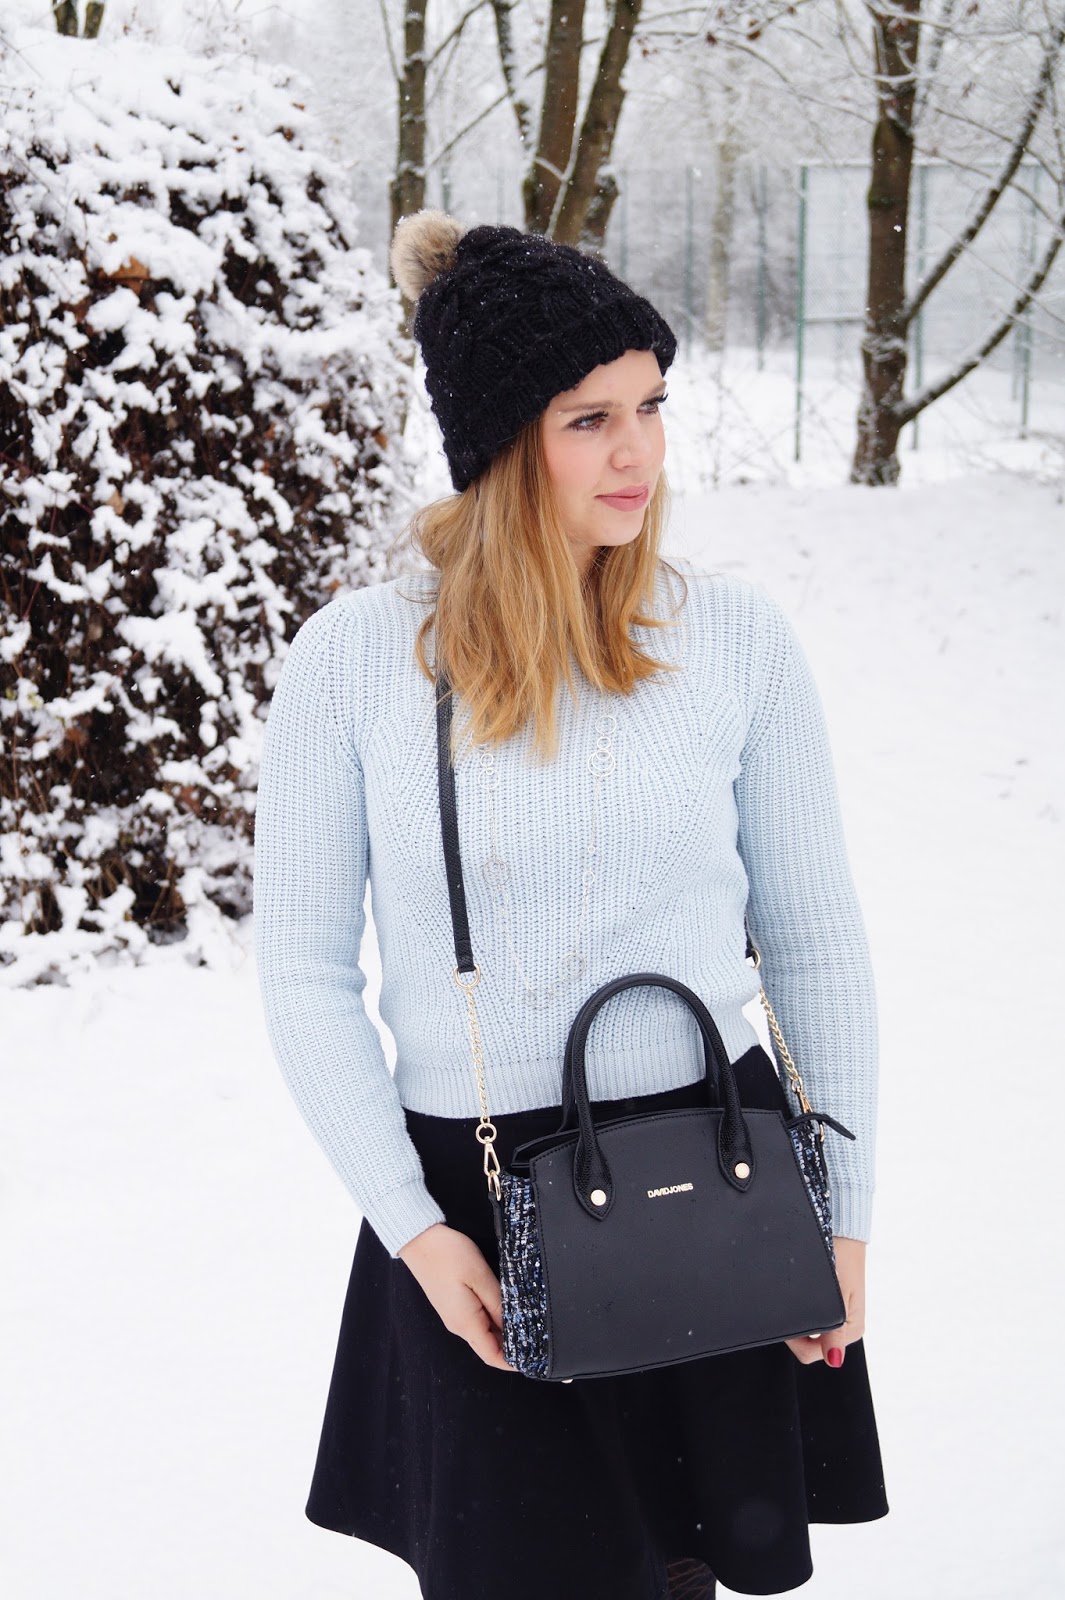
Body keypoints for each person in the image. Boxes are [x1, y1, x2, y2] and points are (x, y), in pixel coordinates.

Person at [253, 210, 889, 1600]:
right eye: (588, 419)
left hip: (720, 1176)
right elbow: (300, 971)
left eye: (651, 405)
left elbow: (816, 941)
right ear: (498, 445)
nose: (636, 454)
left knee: (684, 1571)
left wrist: (842, 1223)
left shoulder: (733, 639)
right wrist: (411, 1228)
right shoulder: (360, 662)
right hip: (482, 1207)